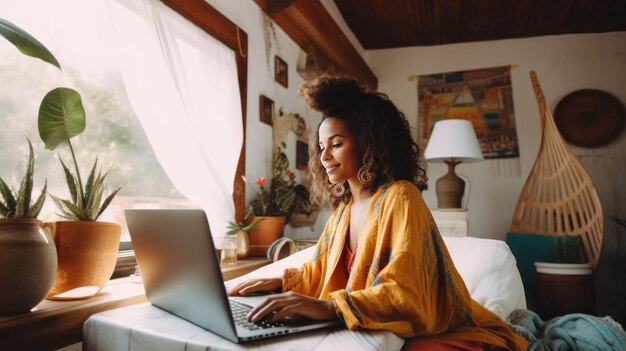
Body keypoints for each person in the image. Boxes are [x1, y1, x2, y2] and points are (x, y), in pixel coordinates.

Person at [228, 75, 527, 351]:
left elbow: (407, 291)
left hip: (442, 332)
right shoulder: (342, 213)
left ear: (367, 141)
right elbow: (319, 270)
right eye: (321, 147)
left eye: (336, 144)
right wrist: (280, 282)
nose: (324, 156)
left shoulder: (401, 197)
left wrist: (331, 308)